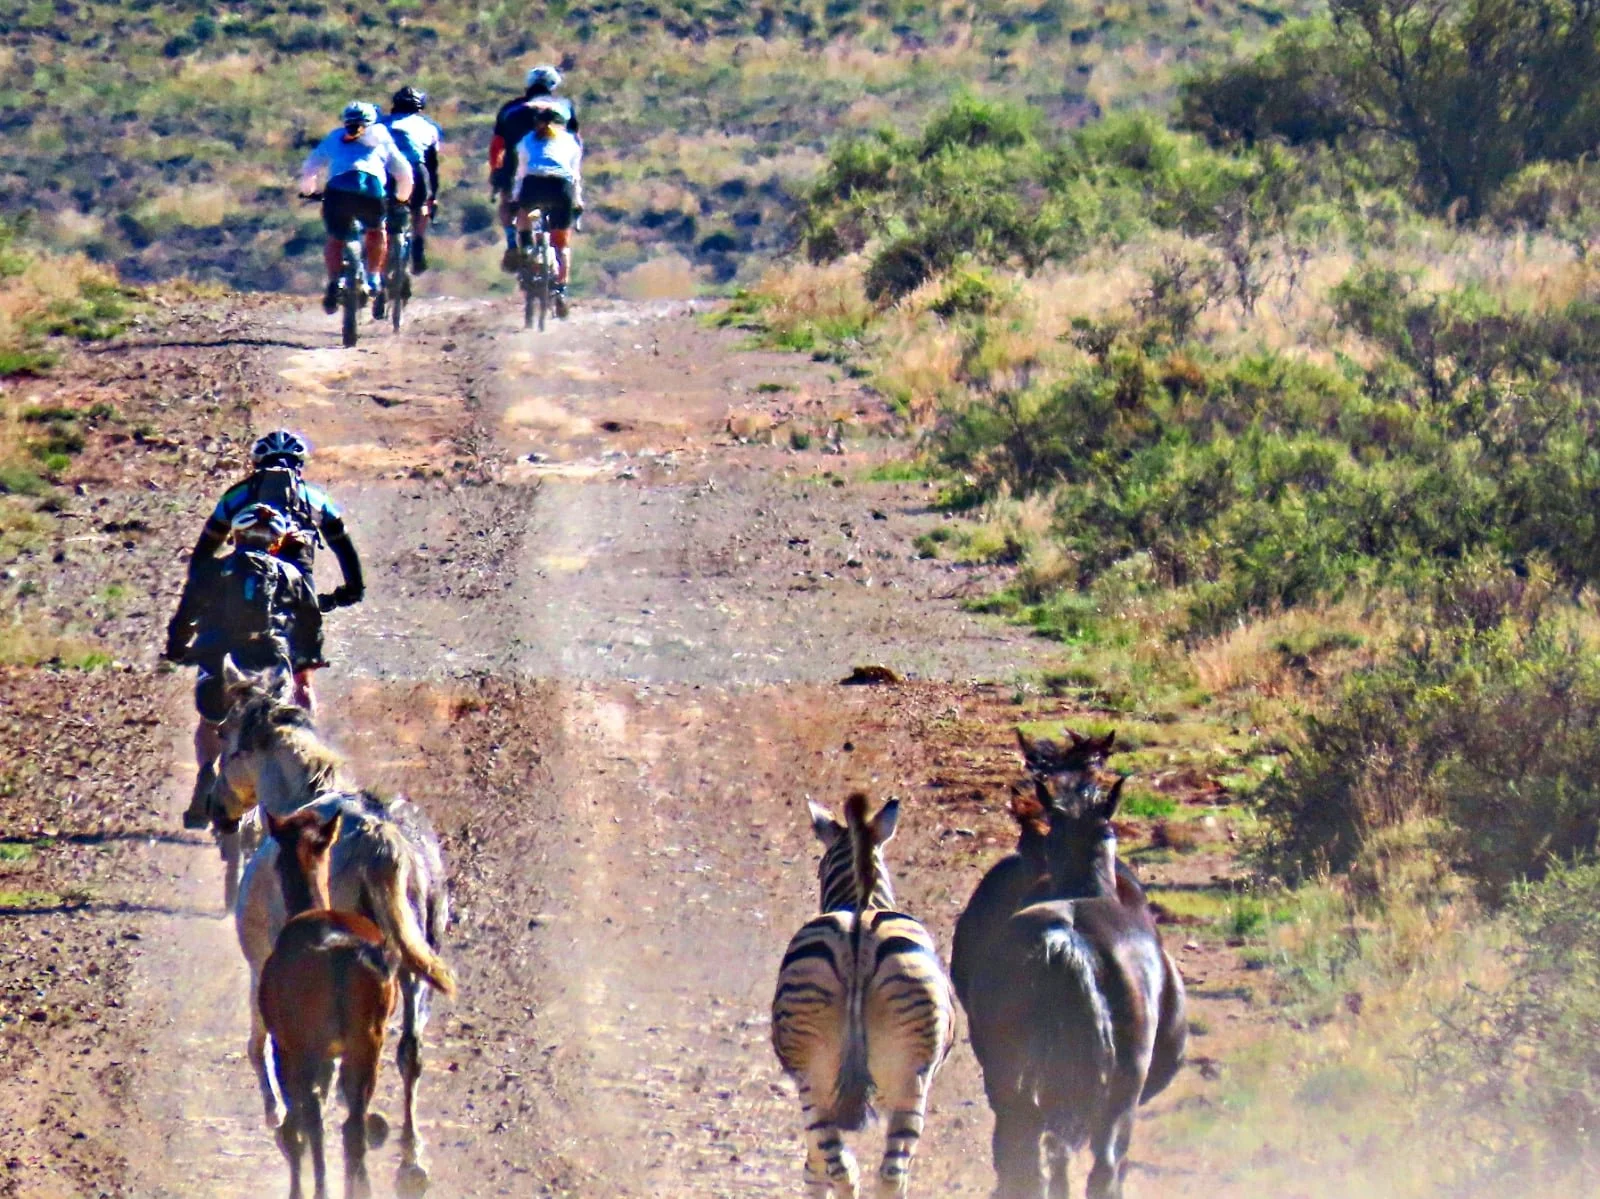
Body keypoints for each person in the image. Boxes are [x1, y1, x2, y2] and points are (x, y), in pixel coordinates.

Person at [165, 505, 324, 830]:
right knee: (271, 731)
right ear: (276, 541)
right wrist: (306, 658)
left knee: (210, 723)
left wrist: (177, 649)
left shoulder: (212, 570)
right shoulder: (290, 574)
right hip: (271, 661)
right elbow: (311, 622)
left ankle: (207, 771)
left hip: (218, 660)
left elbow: (185, 616)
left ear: (235, 536)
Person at [184, 429, 363, 709]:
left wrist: (202, 590)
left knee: (217, 665)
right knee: (301, 679)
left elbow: (204, 552)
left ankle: (211, 738)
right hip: (297, 584)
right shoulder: (315, 497)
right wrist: (351, 590)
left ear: (256, 463)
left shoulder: (237, 495)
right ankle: (305, 742)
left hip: (244, 578)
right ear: (299, 464)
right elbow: (343, 547)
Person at [299, 101, 414, 315]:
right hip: (371, 191)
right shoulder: (381, 136)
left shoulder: (335, 136)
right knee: (376, 230)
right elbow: (403, 172)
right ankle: (372, 278)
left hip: (337, 193)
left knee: (336, 238)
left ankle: (335, 282)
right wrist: (401, 197)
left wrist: (308, 190)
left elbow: (310, 167)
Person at [489, 64, 580, 271]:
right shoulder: (564, 107)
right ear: (553, 85)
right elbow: (576, 143)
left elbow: (496, 146)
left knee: (507, 201)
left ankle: (513, 243)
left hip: (516, 164)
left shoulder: (509, 108)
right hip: (559, 169)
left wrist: (495, 171)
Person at [510, 100, 583, 317]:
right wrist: (578, 202)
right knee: (561, 245)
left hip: (533, 185)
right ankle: (561, 289)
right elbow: (575, 175)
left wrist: (516, 200)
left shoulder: (525, 141)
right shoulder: (571, 142)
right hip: (561, 189)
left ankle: (525, 251)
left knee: (524, 217)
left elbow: (521, 173)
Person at [380, 86, 443, 275]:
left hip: (387, 171)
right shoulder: (428, 127)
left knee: (381, 212)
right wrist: (434, 195)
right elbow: (432, 165)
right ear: (420, 107)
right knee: (419, 207)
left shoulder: (380, 124)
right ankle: (418, 243)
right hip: (416, 171)